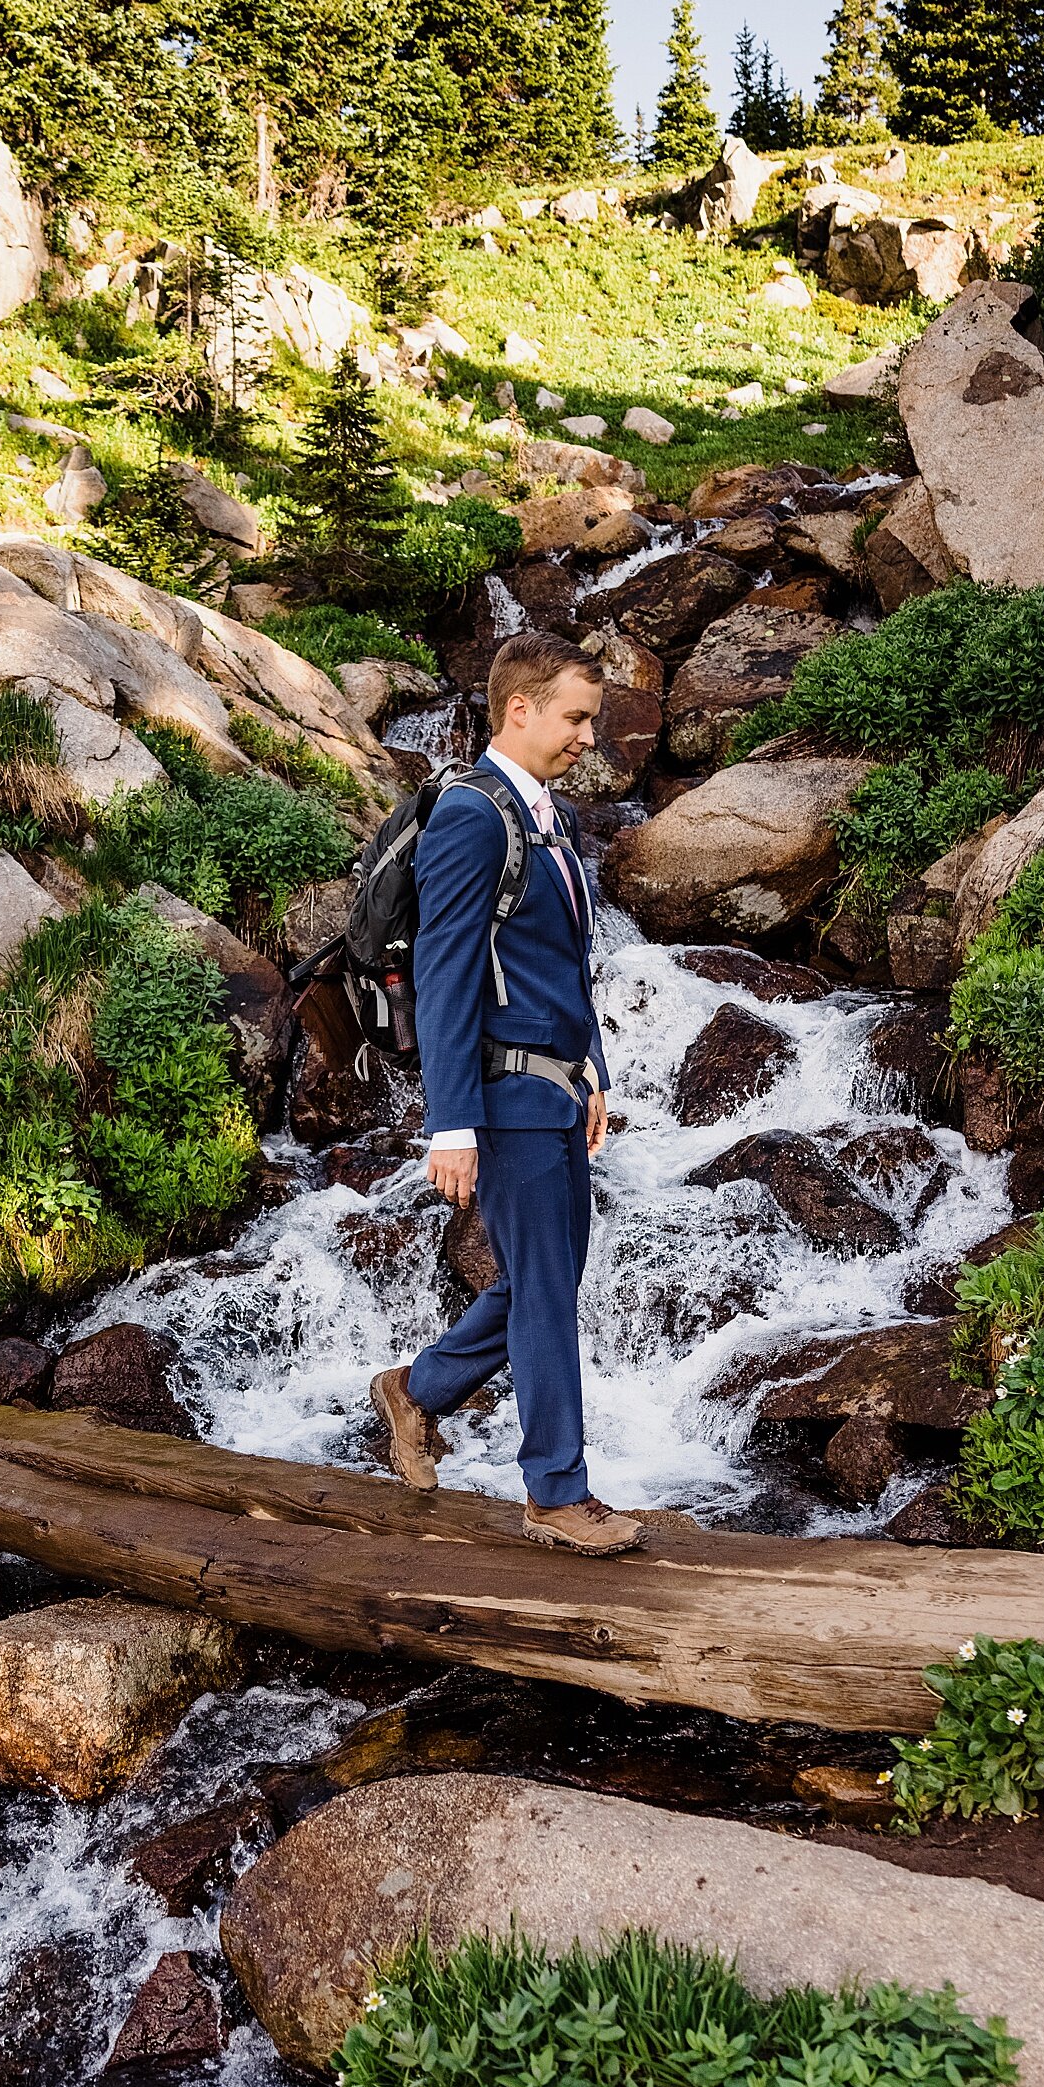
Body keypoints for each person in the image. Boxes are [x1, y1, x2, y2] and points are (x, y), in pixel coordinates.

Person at [370, 632, 643, 1555]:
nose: (587, 737)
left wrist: (592, 1069)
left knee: (543, 1281)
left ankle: (419, 1390)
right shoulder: (474, 816)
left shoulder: (545, 816)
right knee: (547, 1295)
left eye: (593, 721)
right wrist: (449, 1123)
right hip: (506, 1096)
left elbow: (564, 960)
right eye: (575, 718)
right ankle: (556, 1493)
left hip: (557, 1089)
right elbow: (445, 974)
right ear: (517, 709)